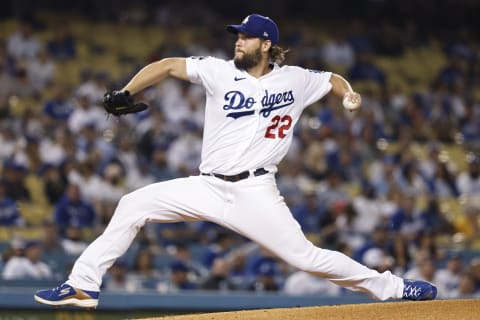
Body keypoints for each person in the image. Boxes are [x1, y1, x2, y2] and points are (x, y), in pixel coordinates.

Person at [34, 13, 437, 309]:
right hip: (207, 185)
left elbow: (332, 78)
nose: (237, 42)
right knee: (132, 204)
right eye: (237, 37)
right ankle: (83, 284)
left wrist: (349, 95)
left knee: (307, 258)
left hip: (255, 191)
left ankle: (395, 289)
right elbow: (169, 65)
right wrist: (127, 89)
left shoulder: (294, 78)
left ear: (265, 45)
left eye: (245, 37)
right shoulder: (217, 72)